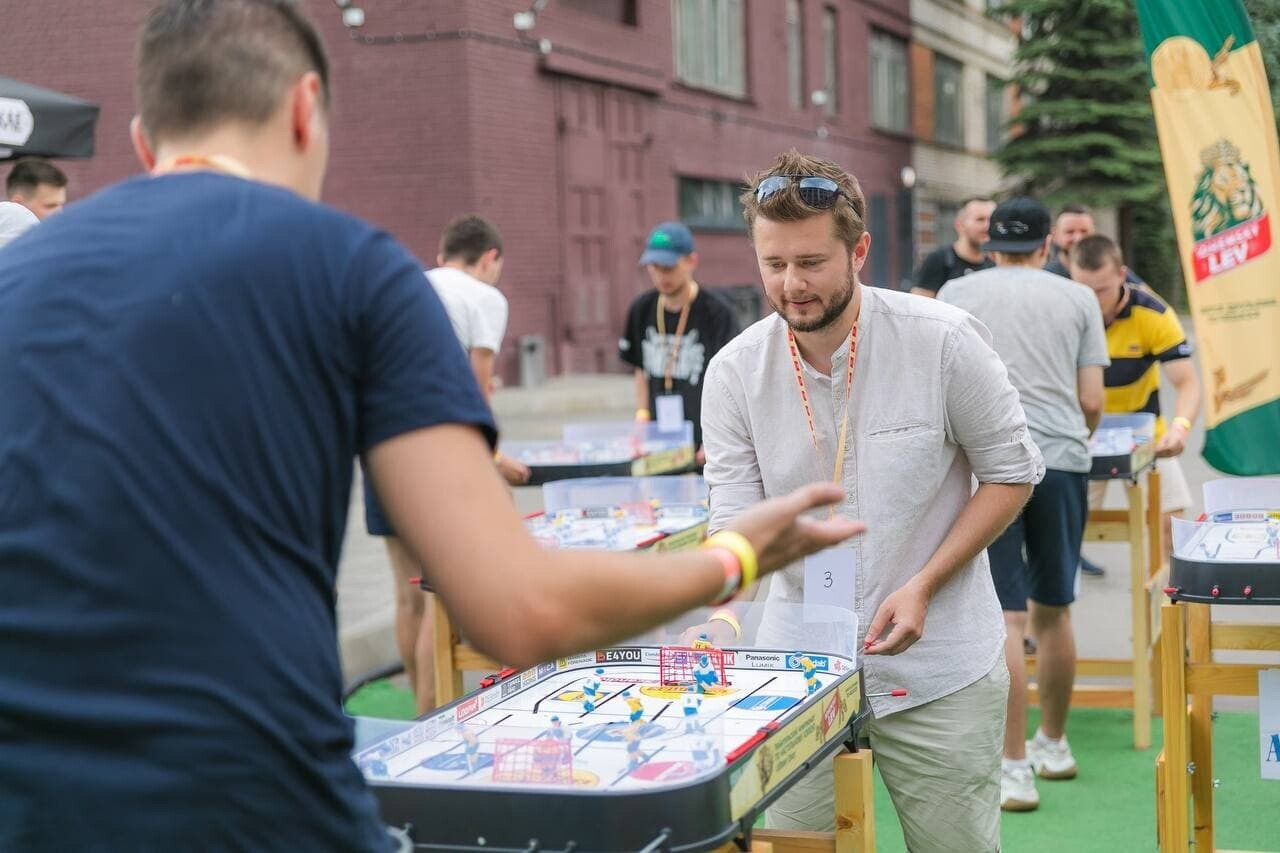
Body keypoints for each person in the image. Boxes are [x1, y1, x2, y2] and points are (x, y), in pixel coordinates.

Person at [0, 3, 863, 850]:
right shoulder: (353, 269)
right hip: (250, 798)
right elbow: (514, 607)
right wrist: (735, 556)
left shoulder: (17, 271)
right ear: (305, 108)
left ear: (145, 140)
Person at [695, 150, 1043, 852]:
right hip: (796, 672)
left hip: (940, 666)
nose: (790, 284)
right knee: (791, 846)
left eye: (810, 262)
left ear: (859, 251)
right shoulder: (734, 371)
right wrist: (722, 617)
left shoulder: (943, 341)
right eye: (773, 263)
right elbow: (732, 516)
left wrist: (924, 582)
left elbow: (1012, 473)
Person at [938, 196, 1110, 813]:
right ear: (1047, 245)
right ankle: (1054, 745)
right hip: (1060, 459)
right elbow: (1092, 399)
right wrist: (1072, 439)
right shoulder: (1078, 298)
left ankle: (1013, 769)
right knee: (1054, 610)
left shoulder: (956, 294)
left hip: (988, 467)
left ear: (991, 247)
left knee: (1006, 618)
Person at [362, 213, 530, 715]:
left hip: (377, 445)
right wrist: (491, 457)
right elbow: (476, 386)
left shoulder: (411, 284)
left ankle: (416, 715)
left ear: (442, 257)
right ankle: (428, 721)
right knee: (441, 595)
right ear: (490, 258)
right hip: (430, 454)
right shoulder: (483, 296)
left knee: (408, 595)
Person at [1069, 234, 1201, 559]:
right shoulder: (1062, 313)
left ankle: (1166, 591)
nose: (1092, 300)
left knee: (1172, 525)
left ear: (1121, 274)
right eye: (1083, 289)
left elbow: (1187, 382)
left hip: (1142, 434)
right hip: (1079, 434)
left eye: (1102, 290)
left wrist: (1180, 428)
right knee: (1060, 529)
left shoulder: (1153, 315)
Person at [1043, 203, 1143, 578]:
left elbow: (1143, 302)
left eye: (1083, 231)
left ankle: (1069, 554)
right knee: (1073, 499)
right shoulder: (1048, 280)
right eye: (1069, 231)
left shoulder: (1112, 271)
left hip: (1117, 410)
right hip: (1071, 407)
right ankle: (1068, 556)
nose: (1077, 238)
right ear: (1054, 238)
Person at [619, 221, 741, 465]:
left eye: (669, 267)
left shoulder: (717, 313)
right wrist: (642, 417)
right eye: (655, 267)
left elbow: (732, 380)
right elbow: (640, 370)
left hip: (703, 440)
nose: (661, 276)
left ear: (691, 261)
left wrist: (718, 436)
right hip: (657, 442)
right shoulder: (641, 309)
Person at [909, 196, 996, 298]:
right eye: (980, 219)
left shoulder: (994, 263)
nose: (987, 226)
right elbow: (919, 303)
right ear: (959, 225)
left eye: (992, 220)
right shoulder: (938, 260)